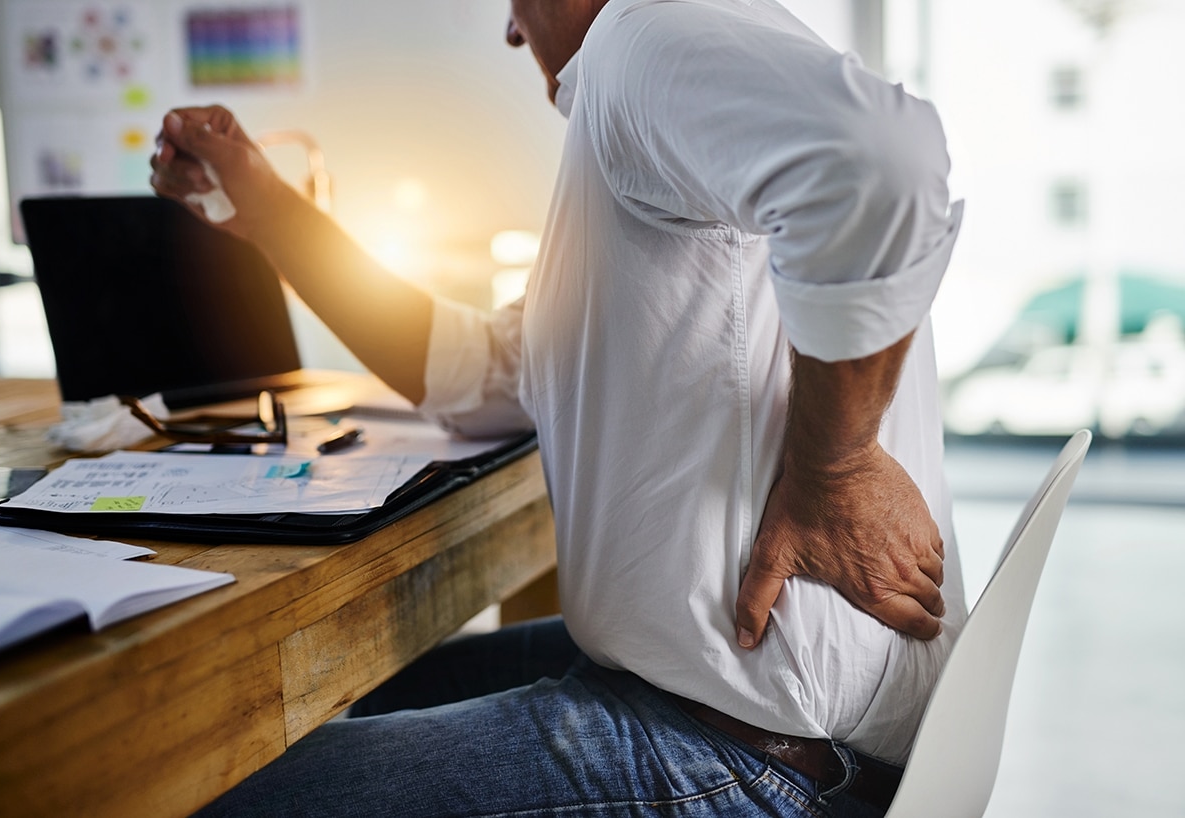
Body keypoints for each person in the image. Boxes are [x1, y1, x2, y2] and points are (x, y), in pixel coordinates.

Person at [151, 0, 968, 815]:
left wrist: (838, 465)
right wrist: (264, 208)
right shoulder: (649, 91)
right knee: (362, 694)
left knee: (206, 797)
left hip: (749, 753)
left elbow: (880, 165)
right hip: (719, 704)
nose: (512, 31)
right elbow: (473, 370)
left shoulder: (642, 34)